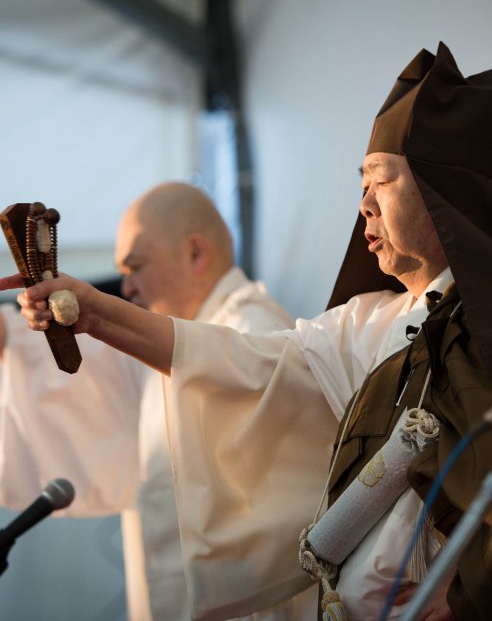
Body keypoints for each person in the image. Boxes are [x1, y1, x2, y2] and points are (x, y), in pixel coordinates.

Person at [3, 41, 492, 620]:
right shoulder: (369, 324)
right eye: (360, 185)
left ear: (442, 190)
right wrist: (94, 313)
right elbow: (254, 366)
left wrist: (469, 598)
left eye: (380, 182)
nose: (363, 205)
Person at [0, 182, 312, 621]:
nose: (127, 287)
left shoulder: (253, 331)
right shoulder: (179, 335)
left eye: (135, 267)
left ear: (195, 253)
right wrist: (12, 336)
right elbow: (101, 382)